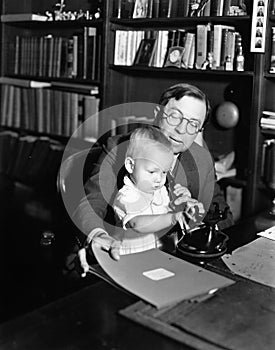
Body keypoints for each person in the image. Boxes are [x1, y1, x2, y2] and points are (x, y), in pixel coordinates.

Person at [72, 83, 234, 270]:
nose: (181, 130)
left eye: (193, 124)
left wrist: (197, 216)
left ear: (199, 131)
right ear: (157, 113)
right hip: (122, 257)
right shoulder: (119, 148)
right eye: (175, 116)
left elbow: (224, 216)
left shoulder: (201, 159)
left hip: (176, 262)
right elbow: (91, 202)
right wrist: (97, 235)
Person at [113, 126, 203, 255]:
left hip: (163, 253)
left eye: (164, 172)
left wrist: (183, 205)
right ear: (131, 165)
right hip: (135, 259)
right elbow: (137, 224)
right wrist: (173, 218)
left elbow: (168, 215)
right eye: (152, 171)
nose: (159, 179)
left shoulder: (160, 191)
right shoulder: (127, 195)